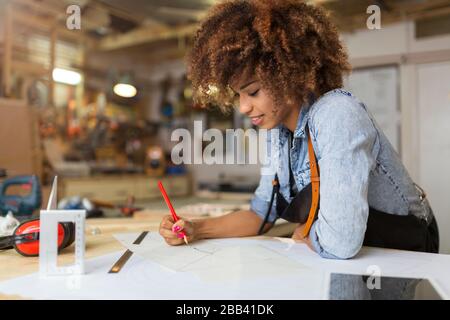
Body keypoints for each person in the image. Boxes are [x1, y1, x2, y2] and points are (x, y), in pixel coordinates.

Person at [159, 0, 439, 259]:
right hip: (354, 258)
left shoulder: (337, 114)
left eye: (253, 92)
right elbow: (260, 216)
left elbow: (341, 242)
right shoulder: (276, 132)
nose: (243, 107)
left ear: (289, 75)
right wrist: (197, 228)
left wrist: (306, 232)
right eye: (238, 95)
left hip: (404, 250)